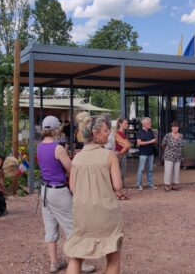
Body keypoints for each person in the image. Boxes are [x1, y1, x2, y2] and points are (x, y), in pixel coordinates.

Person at [64, 114, 123, 274]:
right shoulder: (109, 155)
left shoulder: (77, 159)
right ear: (95, 134)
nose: (109, 133)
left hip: (83, 213)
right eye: (105, 130)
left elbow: (72, 187)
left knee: (76, 257)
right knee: (113, 257)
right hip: (106, 213)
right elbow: (118, 186)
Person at [37, 115, 95, 273]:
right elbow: (71, 168)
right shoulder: (58, 148)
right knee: (72, 227)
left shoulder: (39, 146)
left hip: (44, 190)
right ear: (56, 128)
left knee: (50, 228)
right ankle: (79, 264)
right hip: (58, 191)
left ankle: (54, 263)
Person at [136, 117, 157, 191]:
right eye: (148, 123)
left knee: (150, 169)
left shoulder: (150, 131)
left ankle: (150, 184)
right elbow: (139, 143)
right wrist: (150, 141)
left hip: (151, 153)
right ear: (144, 124)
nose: (150, 124)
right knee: (141, 169)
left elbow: (154, 140)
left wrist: (154, 141)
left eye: (150, 123)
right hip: (143, 153)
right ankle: (138, 185)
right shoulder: (140, 132)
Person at [161, 121, 184, 192]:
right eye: (173, 127)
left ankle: (175, 184)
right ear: (171, 128)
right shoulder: (168, 135)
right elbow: (163, 144)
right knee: (168, 170)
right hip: (169, 156)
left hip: (178, 156)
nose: (175, 128)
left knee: (177, 171)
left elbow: (182, 145)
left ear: (178, 128)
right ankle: (167, 185)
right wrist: (168, 150)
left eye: (176, 127)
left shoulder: (181, 136)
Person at [115, 118, 131, 186]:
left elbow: (127, 145)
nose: (127, 125)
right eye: (125, 123)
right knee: (120, 171)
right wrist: (120, 153)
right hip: (121, 154)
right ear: (120, 124)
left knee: (121, 171)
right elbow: (127, 145)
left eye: (127, 123)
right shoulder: (119, 133)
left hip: (121, 154)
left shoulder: (122, 133)